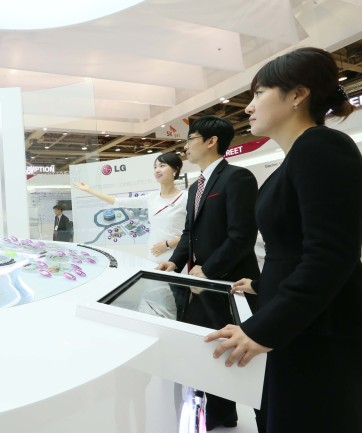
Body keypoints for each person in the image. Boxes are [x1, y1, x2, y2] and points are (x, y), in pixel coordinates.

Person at [205, 47, 362, 433]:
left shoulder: (321, 147)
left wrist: (263, 329)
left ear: (297, 95)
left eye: (259, 93)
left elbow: (331, 255)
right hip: (301, 326)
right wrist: (261, 286)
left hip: (317, 333)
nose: (248, 107)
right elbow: (297, 246)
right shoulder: (299, 156)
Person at [156, 115, 260, 431]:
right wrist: (175, 261)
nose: (185, 146)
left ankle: (263, 418)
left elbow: (241, 236)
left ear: (211, 141)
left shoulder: (238, 178)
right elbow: (190, 232)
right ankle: (221, 414)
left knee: (244, 362)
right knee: (210, 350)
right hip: (201, 284)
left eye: (191, 138)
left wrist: (209, 269)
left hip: (232, 285)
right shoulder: (195, 188)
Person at [72, 152, 187, 264]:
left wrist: (168, 244)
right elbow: (117, 201)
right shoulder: (152, 197)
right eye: (155, 167)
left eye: (162, 166)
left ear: (175, 170)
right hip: (153, 256)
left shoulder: (186, 197)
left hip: (176, 258)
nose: (157, 170)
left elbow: (196, 232)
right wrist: (89, 190)